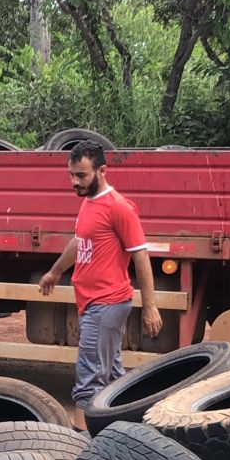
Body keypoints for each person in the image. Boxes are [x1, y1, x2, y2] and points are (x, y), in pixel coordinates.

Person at [38, 142, 163, 429]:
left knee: (88, 382)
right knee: (113, 377)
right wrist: (55, 272)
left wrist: (151, 307)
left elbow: (140, 255)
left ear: (102, 170)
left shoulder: (119, 207)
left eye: (81, 175)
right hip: (93, 302)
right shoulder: (89, 202)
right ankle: (134, 433)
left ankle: (82, 447)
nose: (74, 182)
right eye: (71, 175)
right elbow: (79, 241)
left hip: (106, 304)